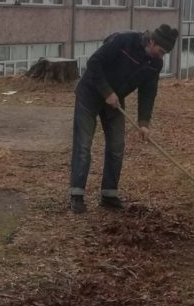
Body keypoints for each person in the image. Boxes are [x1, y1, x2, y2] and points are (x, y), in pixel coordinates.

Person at [68, 24, 178, 213]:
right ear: (152, 41)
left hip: (115, 101)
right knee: (84, 144)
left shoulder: (155, 64)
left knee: (117, 146)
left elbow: (148, 93)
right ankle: (77, 195)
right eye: (160, 51)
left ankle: (109, 194)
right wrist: (106, 91)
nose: (161, 56)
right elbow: (93, 63)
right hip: (90, 93)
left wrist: (144, 122)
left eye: (164, 53)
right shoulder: (124, 41)